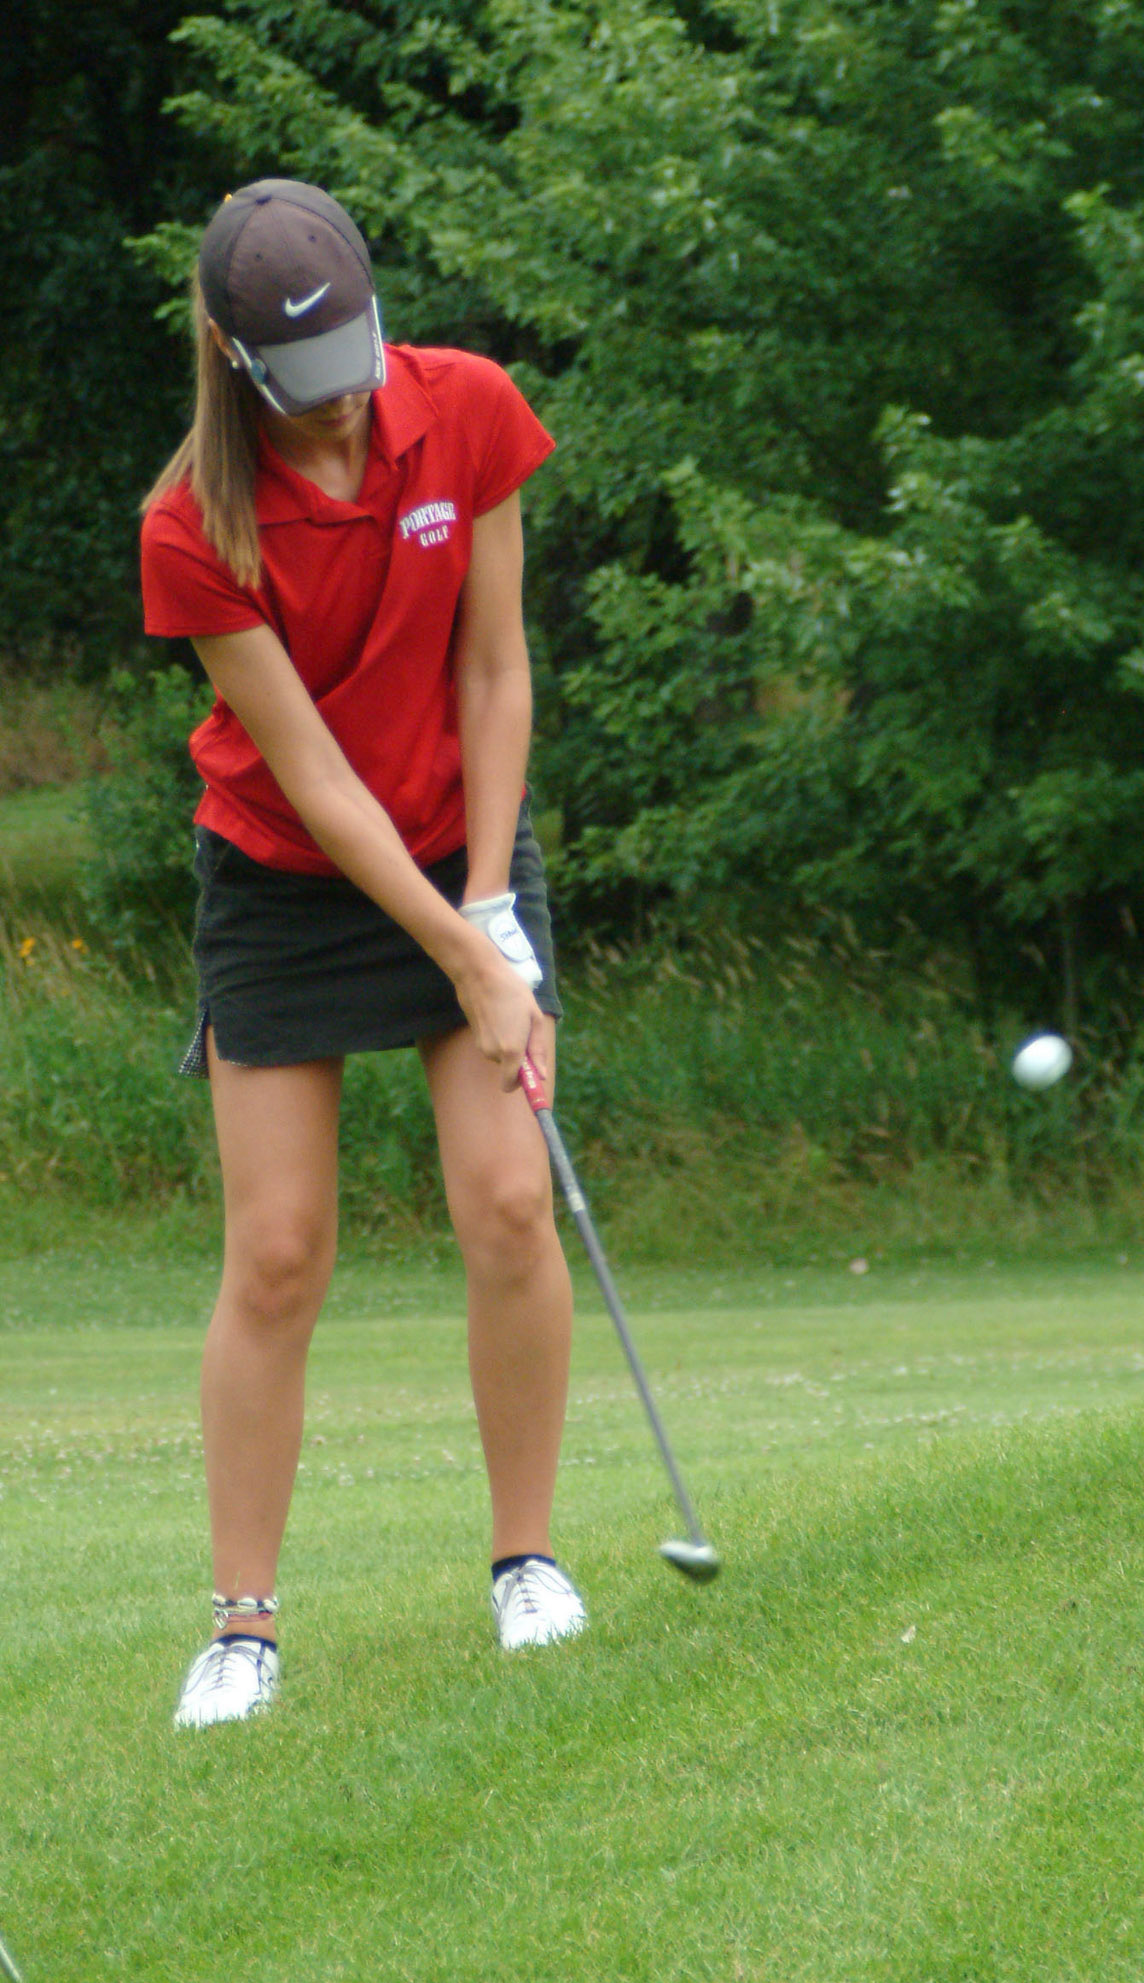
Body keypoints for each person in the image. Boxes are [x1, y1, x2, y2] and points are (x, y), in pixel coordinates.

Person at [140, 178, 585, 1728]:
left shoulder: (468, 412)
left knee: (511, 1203)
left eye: (352, 379)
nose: (338, 423)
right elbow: (315, 779)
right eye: (302, 394)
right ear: (233, 356)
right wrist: (457, 949)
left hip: (465, 844)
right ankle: (243, 1630)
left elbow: (494, 661)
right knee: (276, 1253)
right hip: (287, 872)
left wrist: (492, 908)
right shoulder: (193, 521)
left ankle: (524, 1561)